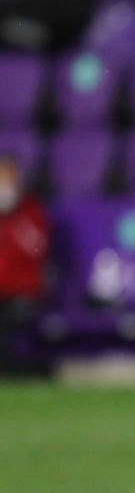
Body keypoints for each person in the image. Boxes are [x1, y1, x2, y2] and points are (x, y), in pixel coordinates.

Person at [0, 154, 50, 375]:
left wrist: (14, 218)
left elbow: (37, 248)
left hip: (21, 292)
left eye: (7, 178)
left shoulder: (29, 210)